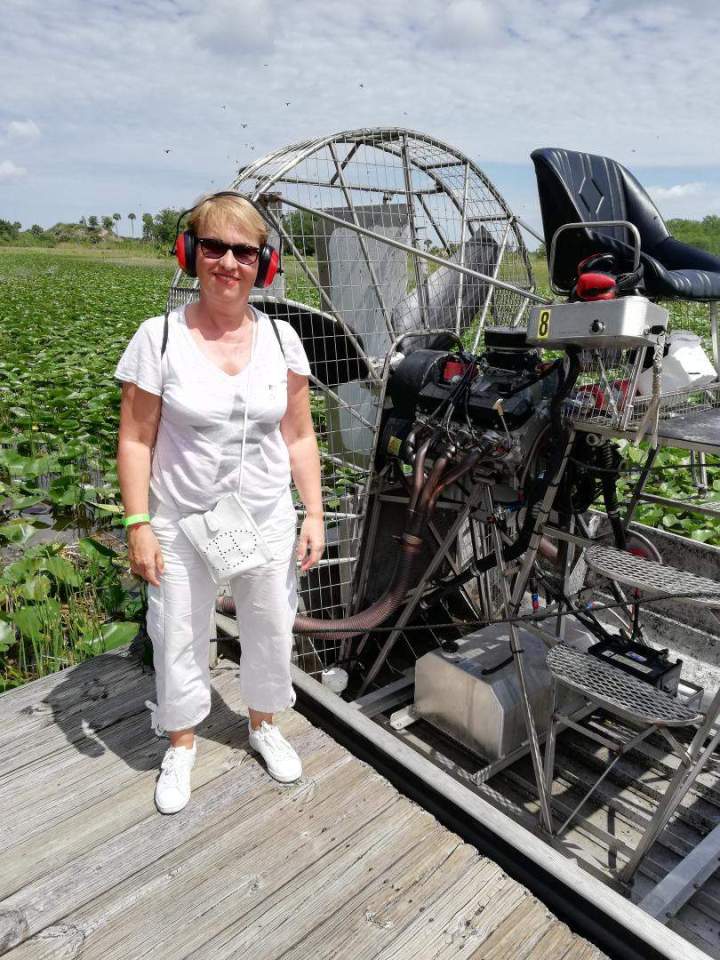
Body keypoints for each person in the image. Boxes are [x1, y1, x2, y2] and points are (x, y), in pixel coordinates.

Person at [115, 193, 324, 814]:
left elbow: (299, 434)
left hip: (263, 517)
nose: (228, 262)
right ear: (189, 253)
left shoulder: (283, 340)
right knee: (177, 629)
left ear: (265, 262)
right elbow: (135, 438)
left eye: (244, 251)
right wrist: (138, 524)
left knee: (270, 626)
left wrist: (312, 512)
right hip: (179, 521)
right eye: (214, 247)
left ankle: (262, 725)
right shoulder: (159, 339)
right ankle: (181, 740)